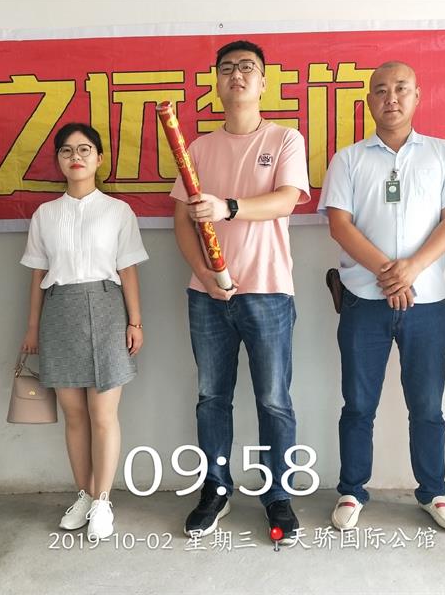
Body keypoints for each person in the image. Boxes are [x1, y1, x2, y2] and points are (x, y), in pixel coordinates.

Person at [318, 61, 445, 534]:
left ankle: (434, 492)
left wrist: (411, 269)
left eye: (401, 88)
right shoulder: (348, 159)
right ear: (369, 101)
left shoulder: (443, 154)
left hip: (426, 302)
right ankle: (351, 490)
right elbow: (340, 224)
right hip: (363, 300)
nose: (392, 98)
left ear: (417, 95)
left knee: (427, 405)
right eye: (381, 90)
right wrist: (389, 273)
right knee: (357, 403)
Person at [171, 40, 310, 542]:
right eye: (227, 68)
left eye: (247, 67)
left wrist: (227, 207)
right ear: (216, 81)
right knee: (212, 397)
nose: (237, 75)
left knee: (274, 400)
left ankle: (278, 495)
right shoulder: (198, 149)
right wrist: (203, 273)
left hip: (268, 291)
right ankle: (216, 489)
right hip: (207, 296)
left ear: (264, 81)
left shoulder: (285, 138)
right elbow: (182, 222)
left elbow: (286, 200)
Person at [20, 122, 147, 540]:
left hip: (107, 309)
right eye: (67, 150)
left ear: (99, 158)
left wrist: (135, 321)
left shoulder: (118, 211)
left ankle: (103, 501)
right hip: (60, 310)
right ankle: (85, 494)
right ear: (58, 160)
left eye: (85, 149)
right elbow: (37, 273)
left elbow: (128, 269)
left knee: (103, 414)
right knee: (74, 415)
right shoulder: (45, 214)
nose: (76, 157)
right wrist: (32, 327)